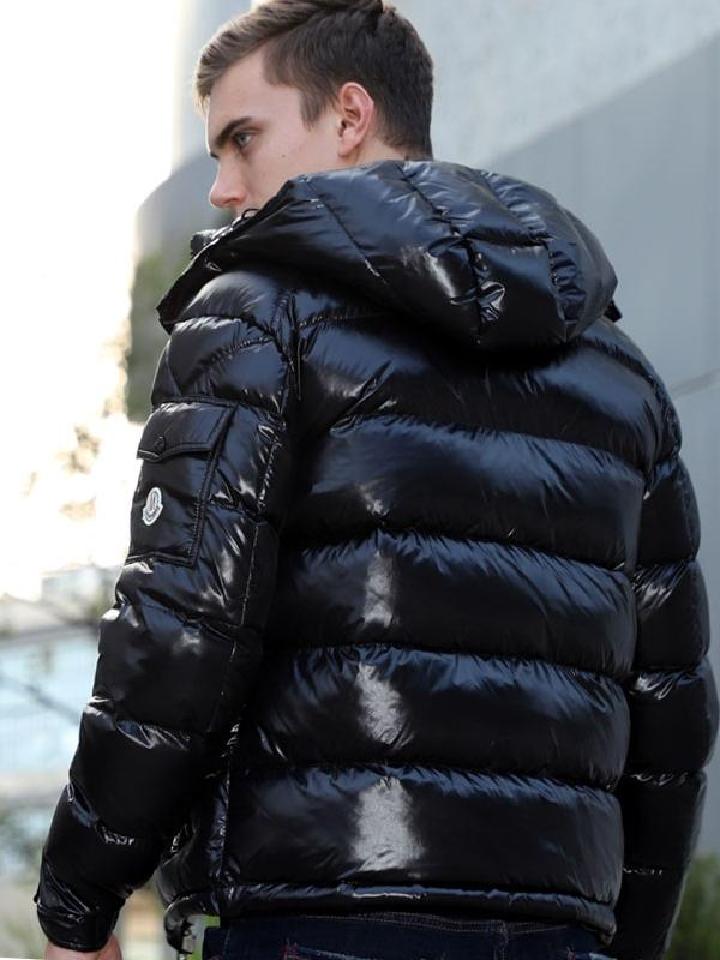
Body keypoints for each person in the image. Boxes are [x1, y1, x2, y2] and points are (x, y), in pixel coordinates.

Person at [35, 1, 719, 959]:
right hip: (560, 931)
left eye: (243, 138)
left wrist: (80, 899)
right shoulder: (620, 374)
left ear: (349, 116)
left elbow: (181, 629)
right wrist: (625, 938)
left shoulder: (257, 317)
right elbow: (672, 709)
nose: (224, 188)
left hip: (322, 913)